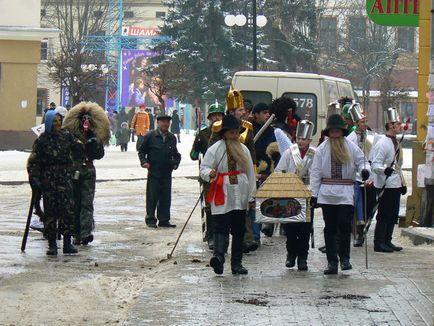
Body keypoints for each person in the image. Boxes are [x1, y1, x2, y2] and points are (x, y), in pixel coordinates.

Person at [310, 114, 370, 274]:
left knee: (344, 225)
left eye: (338, 131)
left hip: (345, 192)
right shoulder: (322, 149)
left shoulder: (351, 146)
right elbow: (315, 172)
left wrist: (365, 171)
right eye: (332, 131)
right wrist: (314, 194)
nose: (335, 134)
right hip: (327, 192)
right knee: (329, 228)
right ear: (328, 133)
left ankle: (345, 258)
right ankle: (332, 262)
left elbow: (362, 161)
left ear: (342, 132)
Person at [200, 114, 256, 275]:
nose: (234, 135)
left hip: (240, 192)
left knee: (238, 229)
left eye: (236, 132)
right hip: (222, 191)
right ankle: (218, 258)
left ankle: (236, 264)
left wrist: (252, 195)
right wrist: (209, 173)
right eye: (231, 133)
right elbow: (203, 168)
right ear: (224, 133)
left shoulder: (244, 149)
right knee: (220, 226)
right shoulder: (215, 149)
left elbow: (250, 173)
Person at [28, 110, 81, 255]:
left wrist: (88, 143)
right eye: (54, 121)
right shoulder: (42, 140)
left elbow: (79, 150)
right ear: (48, 123)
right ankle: (52, 244)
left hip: (65, 178)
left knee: (67, 210)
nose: (57, 124)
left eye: (59, 121)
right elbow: (34, 161)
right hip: (49, 179)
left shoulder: (67, 137)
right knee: (51, 211)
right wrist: (35, 178)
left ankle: (67, 243)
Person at [63, 102, 110, 246]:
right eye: (83, 120)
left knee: (87, 203)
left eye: (88, 120)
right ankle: (74, 232)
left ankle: (85, 232)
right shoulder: (70, 136)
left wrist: (95, 144)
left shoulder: (94, 135)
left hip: (88, 171)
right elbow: (65, 152)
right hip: (74, 171)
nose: (86, 123)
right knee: (74, 202)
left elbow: (100, 154)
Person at [275, 120, 316, 271]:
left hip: (307, 193)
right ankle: (291, 254)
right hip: (291, 193)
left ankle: (303, 257)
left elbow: (317, 174)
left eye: (304, 139)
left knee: (305, 228)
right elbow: (279, 171)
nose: (300, 141)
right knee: (291, 227)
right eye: (298, 138)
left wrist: (315, 193)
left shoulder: (315, 153)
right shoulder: (288, 152)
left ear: (309, 140)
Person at [190, 102, 225, 250]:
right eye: (214, 115)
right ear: (209, 118)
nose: (216, 117)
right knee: (210, 206)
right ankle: (211, 235)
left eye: (219, 114)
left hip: (225, 174)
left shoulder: (227, 132)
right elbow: (193, 155)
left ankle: (222, 236)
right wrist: (197, 146)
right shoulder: (203, 134)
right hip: (208, 176)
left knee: (224, 206)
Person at [138, 113, 181, 228]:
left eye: (167, 122)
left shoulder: (172, 138)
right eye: (163, 122)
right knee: (152, 197)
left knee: (166, 198)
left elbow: (176, 154)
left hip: (167, 173)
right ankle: (151, 220)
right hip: (154, 172)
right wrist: (144, 162)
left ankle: (164, 220)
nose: (165, 124)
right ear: (158, 123)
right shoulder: (151, 136)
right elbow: (141, 151)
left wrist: (176, 163)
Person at [372, 107, 405, 253]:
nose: (400, 126)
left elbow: (398, 165)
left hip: (395, 184)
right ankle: (379, 242)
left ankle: (387, 240)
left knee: (393, 213)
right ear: (391, 125)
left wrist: (402, 182)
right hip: (385, 184)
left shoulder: (397, 142)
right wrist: (384, 170)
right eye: (397, 124)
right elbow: (375, 164)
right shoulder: (382, 143)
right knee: (384, 213)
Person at [346, 103, 376, 247]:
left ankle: (363, 230)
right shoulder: (351, 138)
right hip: (356, 177)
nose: (365, 124)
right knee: (357, 204)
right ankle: (358, 233)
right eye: (362, 122)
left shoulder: (370, 136)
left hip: (369, 176)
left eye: (366, 121)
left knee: (369, 205)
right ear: (356, 123)